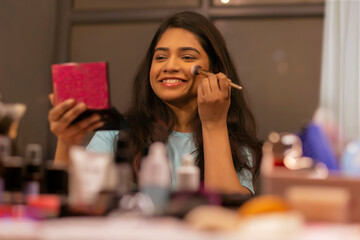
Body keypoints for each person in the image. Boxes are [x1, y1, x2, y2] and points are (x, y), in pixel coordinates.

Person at [48, 11, 261, 195]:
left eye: (187, 57)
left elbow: (229, 215)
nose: (170, 66)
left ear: (215, 71)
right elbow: (70, 202)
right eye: (160, 57)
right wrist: (67, 143)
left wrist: (214, 125)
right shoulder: (116, 134)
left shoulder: (235, 146)